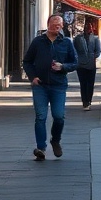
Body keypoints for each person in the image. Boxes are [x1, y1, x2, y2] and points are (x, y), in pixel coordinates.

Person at [22, 14, 78, 160]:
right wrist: (32, 77)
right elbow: (27, 61)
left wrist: (63, 66)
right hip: (40, 86)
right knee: (40, 117)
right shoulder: (38, 41)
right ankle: (41, 148)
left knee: (59, 116)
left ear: (62, 27)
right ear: (48, 25)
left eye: (59, 25)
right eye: (54, 24)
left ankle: (55, 140)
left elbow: (75, 62)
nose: (56, 27)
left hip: (58, 86)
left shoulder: (66, 42)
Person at [73, 19, 101, 110]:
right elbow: (74, 49)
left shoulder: (95, 38)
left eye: (90, 27)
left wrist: (93, 58)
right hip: (81, 64)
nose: (88, 29)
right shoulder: (78, 38)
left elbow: (98, 50)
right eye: (86, 27)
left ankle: (89, 100)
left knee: (90, 83)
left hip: (91, 64)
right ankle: (84, 101)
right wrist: (77, 58)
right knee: (83, 84)